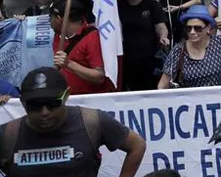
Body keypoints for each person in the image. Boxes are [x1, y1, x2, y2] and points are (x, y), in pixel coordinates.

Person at [0, 67, 147, 177]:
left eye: (53, 104)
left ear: (66, 96)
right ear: (23, 103)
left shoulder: (92, 121)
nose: (44, 112)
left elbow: (137, 145)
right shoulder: (7, 135)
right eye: (35, 105)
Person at [49, 0, 115, 95]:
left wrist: (69, 64)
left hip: (89, 101)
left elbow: (99, 76)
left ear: (59, 19)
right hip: (67, 98)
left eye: (50, 17)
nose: (49, 21)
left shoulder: (93, 38)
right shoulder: (58, 36)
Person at [158, 6, 221, 89]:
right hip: (189, 100)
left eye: (198, 28)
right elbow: (162, 85)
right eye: (188, 28)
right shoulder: (179, 50)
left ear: (208, 27)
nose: (192, 32)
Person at [118, 0, 169, 91]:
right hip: (128, 58)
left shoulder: (152, 5)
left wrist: (163, 36)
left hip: (149, 57)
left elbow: (161, 27)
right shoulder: (119, 6)